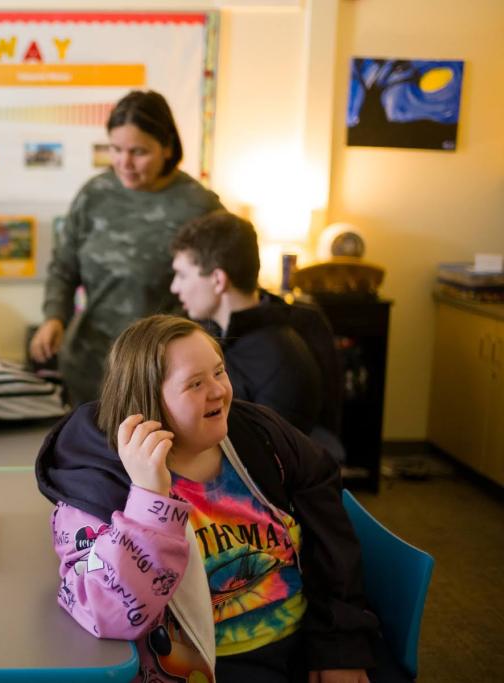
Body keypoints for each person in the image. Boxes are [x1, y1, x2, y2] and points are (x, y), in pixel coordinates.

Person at [36, 315, 401, 683]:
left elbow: (331, 545)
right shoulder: (98, 485)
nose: (219, 391)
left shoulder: (261, 437)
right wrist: (148, 498)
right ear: (146, 404)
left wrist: (338, 649)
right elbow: (107, 614)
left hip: (307, 643)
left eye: (219, 372)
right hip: (208, 665)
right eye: (195, 384)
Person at [29, 90, 223, 406]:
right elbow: (64, 266)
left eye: (139, 152)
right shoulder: (95, 193)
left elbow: (218, 291)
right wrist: (54, 317)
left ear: (167, 148)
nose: (124, 163)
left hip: (161, 373)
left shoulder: (198, 206)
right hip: (90, 368)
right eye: (116, 149)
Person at [170, 211, 345, 457]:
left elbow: (273, 459)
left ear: (218, 280)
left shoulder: (281, 357)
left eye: (182, 275)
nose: (174, 287)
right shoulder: (210, 333)